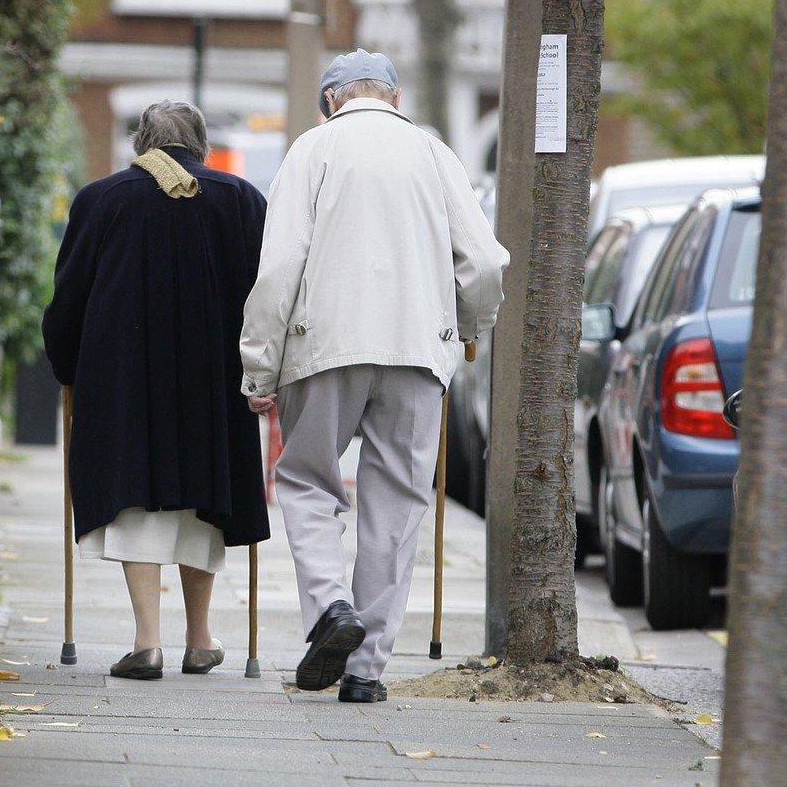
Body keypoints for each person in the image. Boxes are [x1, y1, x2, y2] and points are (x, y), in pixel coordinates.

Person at [240, 49, 509, 703]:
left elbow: (279, 268)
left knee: (305, 480)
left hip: (325, 346)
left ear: (331, 99)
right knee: (396, 505)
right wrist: (469, 329)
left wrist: (258, 365)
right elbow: (483, 262)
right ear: (393, 98)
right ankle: (365, 671)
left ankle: (332, 606)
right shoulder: (435, 154)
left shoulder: (312, 150)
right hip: (416, 349)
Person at [43, 100, 270, 681]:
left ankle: (146, 642)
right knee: (205, 499)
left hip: (124, 376)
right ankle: (200, 638)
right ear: (197, 145)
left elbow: (68, 297)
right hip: (213, 379)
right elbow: (266, 293)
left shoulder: (101, 200)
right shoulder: (241, 200)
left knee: (136, 496)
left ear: (140, 144)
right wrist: (267, 369)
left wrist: (66, 364)